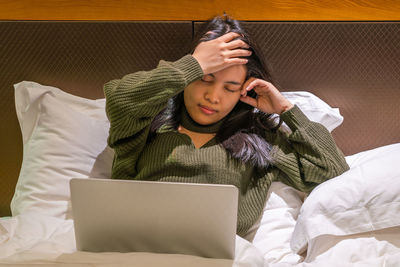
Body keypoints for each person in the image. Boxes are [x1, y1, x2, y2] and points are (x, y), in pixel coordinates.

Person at [103, 15, 349, 239]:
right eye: (204, 79)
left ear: (244, 88)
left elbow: (332, 172)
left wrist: (287, 110)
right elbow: (119, 98)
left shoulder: (258, 138)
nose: (213, 97)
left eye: (230, 88)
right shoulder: (149, 121)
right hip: (135, 246)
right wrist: (193, 65)